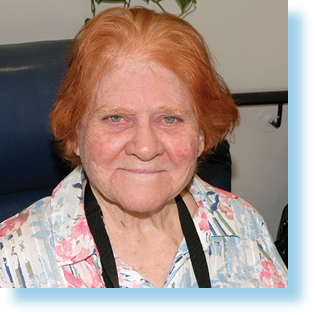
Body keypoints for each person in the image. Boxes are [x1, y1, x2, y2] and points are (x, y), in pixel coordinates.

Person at [0, 7, 288, 288]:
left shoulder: (243, 226)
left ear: (201, 135)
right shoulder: (12, 263)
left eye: (170, 118)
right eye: (115, 118)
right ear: (75, 133)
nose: (146, 147)